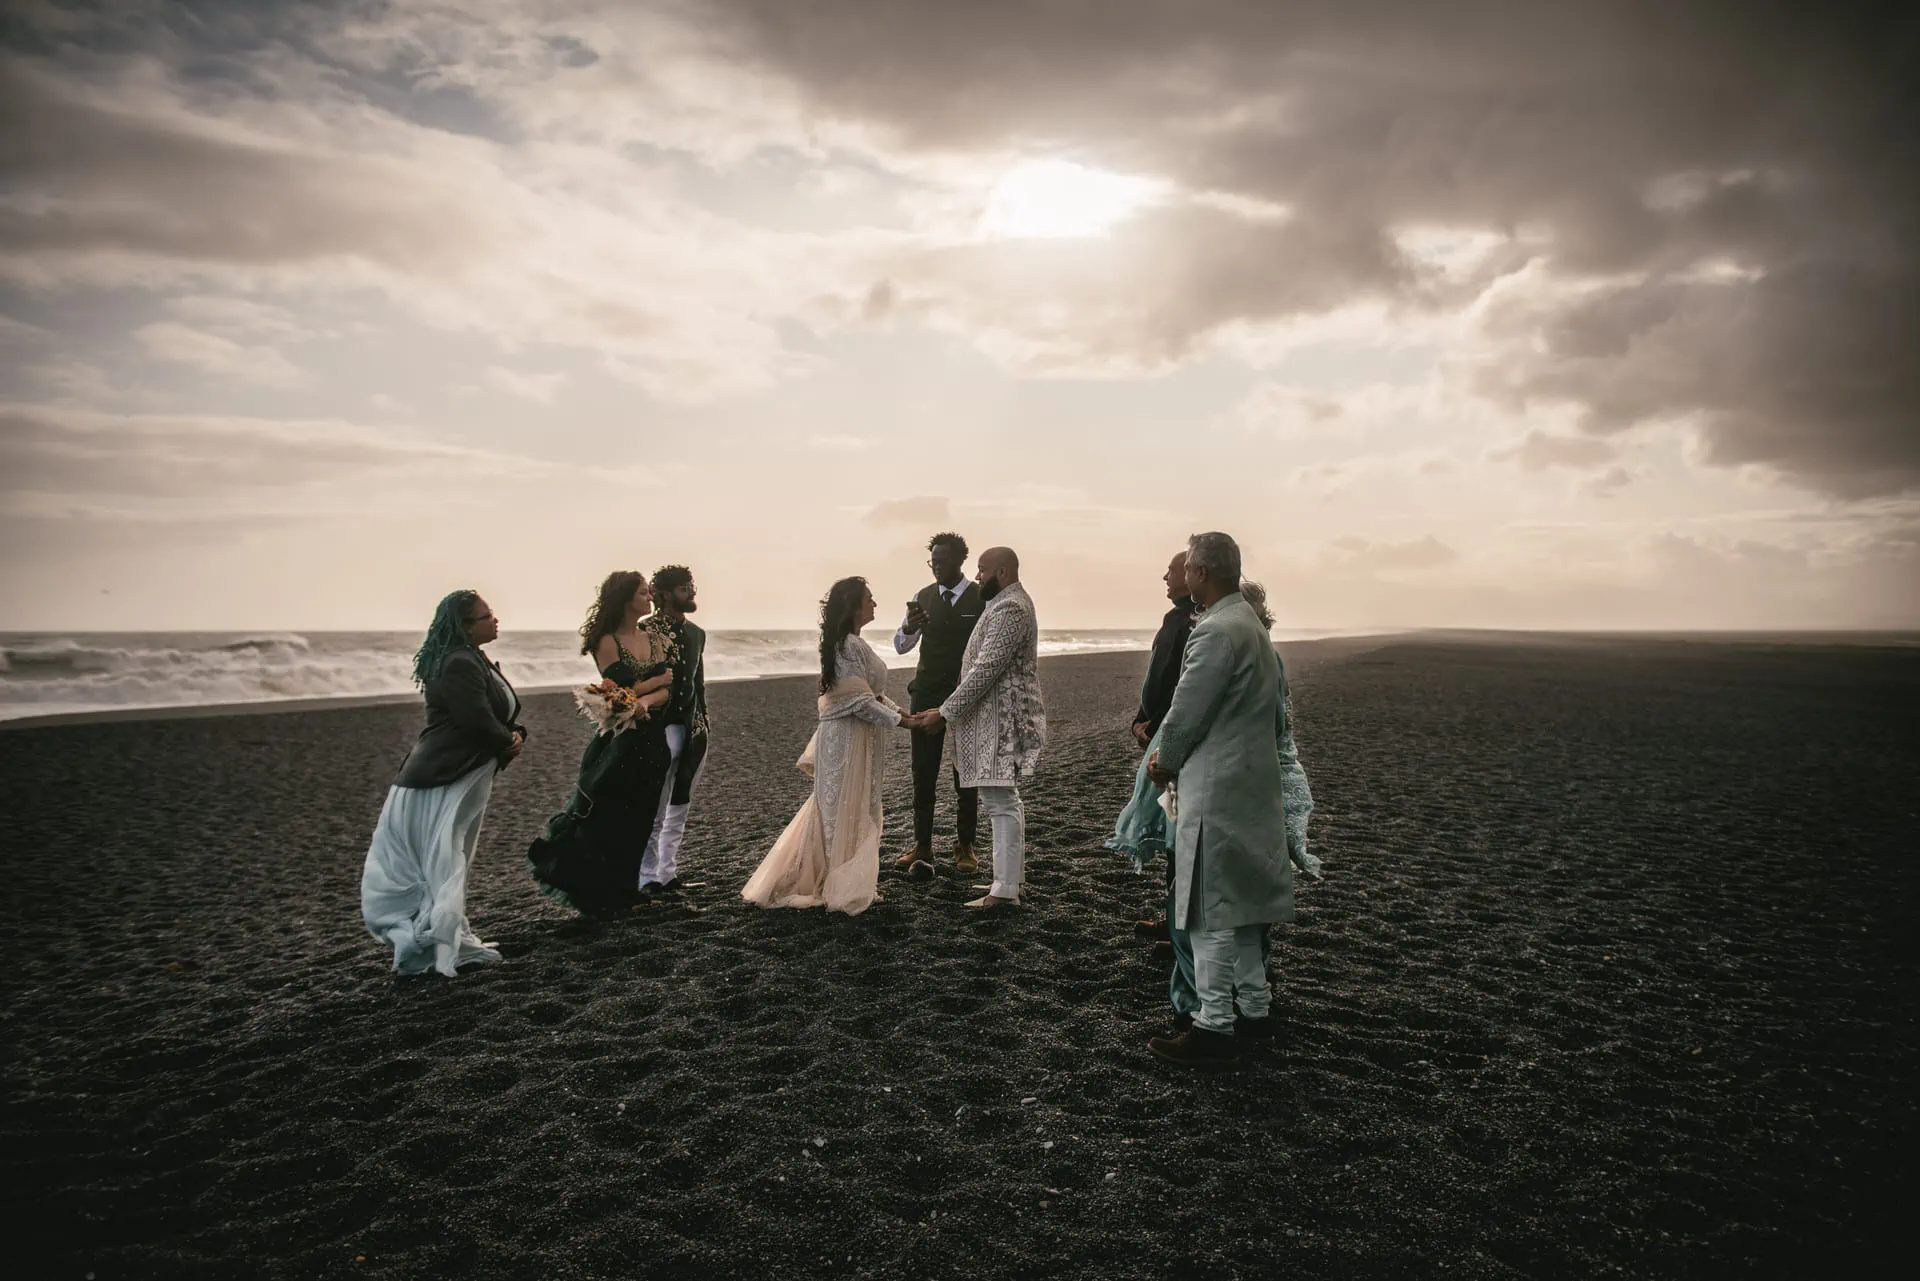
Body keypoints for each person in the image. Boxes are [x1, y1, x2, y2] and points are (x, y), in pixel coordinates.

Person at [1140, 579, 1321, 1040]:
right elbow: (1280, 730)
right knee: (1247, 911)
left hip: (1218, 793)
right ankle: (1255, 1009)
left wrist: (1165, 763)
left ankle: (1213, 1020)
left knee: (1207, 913)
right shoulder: (1269, 658)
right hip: (1259, 791)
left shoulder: (1220, 644)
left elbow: (1187, 716)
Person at [362, 590, 526, 976]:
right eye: (487, 616)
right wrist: (508, 741)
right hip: (445, 773)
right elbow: (474, 718)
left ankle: (453, 935)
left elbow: (493, 711)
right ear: (466, 626)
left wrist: (515, 732)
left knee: (452, 856)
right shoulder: (458, 662)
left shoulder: (469, 656)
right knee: (446, 858)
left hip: (462, 769)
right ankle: (447, 943)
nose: (495, 620)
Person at [743, 577, 909, 915]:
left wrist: (902, 713)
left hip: (856, 733)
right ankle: (837, 882)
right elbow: (857, 701)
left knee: (852, 802)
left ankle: (841, 877)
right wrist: (904, 721)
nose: (874, 603)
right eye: (869, 598)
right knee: (842, 805)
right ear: (853, 605)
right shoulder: (847, 645)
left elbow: (868, 694)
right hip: (846, 736)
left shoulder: (851, 644)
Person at [526, 572, 676, 916]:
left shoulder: (654, 639)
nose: (650, 597)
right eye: (643, 592)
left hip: (653, 736)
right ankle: (600, 892)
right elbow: (617, 693)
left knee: (642, 815)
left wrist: (646, 700)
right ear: (625, 598)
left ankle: (627, 888)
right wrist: (651, 684)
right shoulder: (607, 641)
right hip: (621, 739)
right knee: (609, 815)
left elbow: (669, 690)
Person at [903, 547, 1045, 909]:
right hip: (996, 717)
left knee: (1001, 803)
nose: (978, 576)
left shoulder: (1010, 607)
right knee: (1004, 802)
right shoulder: (1004, 603)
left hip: (1002, 719)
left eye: (983, 570)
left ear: (1003, 571)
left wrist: (945, 713)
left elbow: (986, 669)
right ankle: (1009, 881)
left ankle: (1005, 890)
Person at [1105, 549, 1197, 939]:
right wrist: (1139, 720)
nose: (1165, 577)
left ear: (1192, 573)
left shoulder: (1194, 621)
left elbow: (1182, 687)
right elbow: (1156, 679)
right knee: (1174, 827)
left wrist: (1154, 725)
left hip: (1176, 737)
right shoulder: (1175, 618)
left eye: (1172, 571)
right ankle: (1174, 919)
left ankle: (1181, 926)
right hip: (1158, 729)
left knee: (1181, 830)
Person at [892, 532, 983, 880]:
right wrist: (909, 626)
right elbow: (901, 646)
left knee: (966, 774)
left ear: (960, 561)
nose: (936, 567)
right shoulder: (922, 596)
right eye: (933, 561)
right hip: (926, 692)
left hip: (965, 695)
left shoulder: (980, 597)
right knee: (923, 772)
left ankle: (966, 845)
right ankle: (922, 845)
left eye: (943, 561)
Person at [639, 564, 708, 900]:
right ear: (664, 594)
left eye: (692, 585)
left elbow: (698, 683)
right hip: (657, 728)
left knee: (680, 800)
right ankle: (646, 877)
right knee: (653, 804)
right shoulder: (645, 630)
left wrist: (703, 722)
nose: (691, 591)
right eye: (684, 587)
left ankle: (667, 872)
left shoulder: (697, 633)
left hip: (692, 728)